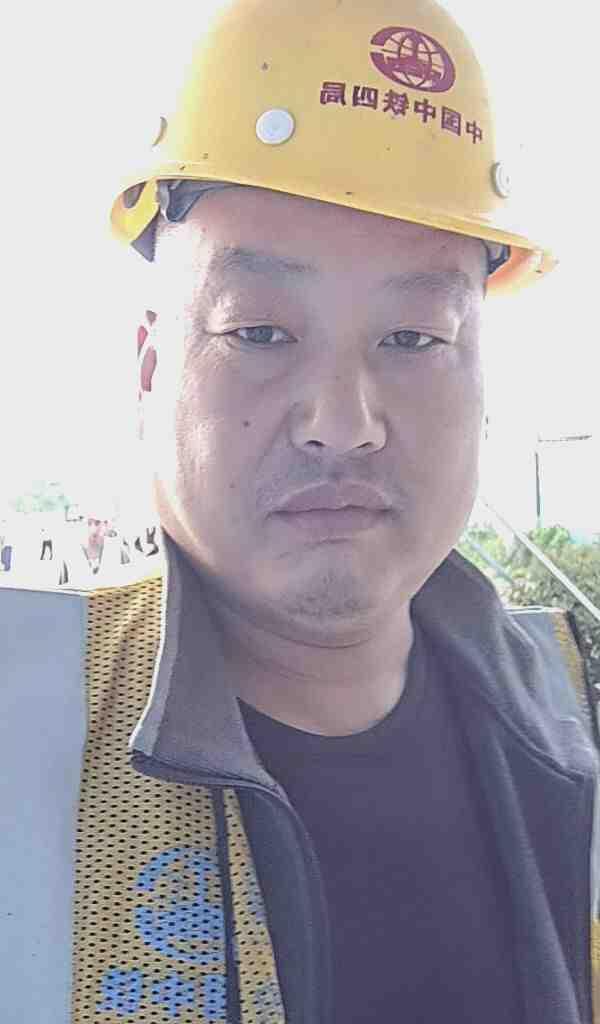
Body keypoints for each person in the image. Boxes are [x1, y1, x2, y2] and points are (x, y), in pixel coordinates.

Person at [1, 1, 599, 1021]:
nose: (343, 424)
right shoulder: (27, 726)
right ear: (149, 368)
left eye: (413, 339)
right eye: (261, 332)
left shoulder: (575, 712)